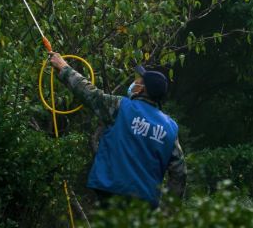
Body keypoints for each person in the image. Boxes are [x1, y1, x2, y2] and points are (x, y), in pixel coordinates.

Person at [48, 52, 186, 208]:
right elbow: (179, 173)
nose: (135, 82)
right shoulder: (170, 128)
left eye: (139, 80)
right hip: (145, 205)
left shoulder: (122, 107)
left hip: (111, 193)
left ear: (142, 89)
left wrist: (63, 67)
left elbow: (90, 94)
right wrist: (167, 213)